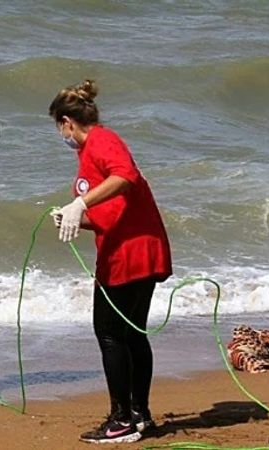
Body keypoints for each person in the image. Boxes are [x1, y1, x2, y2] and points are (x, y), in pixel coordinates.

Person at [48, 79, 172, 444]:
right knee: (131, 333)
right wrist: (75, 216)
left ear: (68, 122)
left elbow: (126, 177)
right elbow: (115, 208)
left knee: (109, 332)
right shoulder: (88, 153)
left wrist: (80, 204)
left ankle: (121, 419)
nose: (62, 135)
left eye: (59, 127)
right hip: (134, 248)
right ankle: (139, 415)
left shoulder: (103, 140)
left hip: (130, 255)